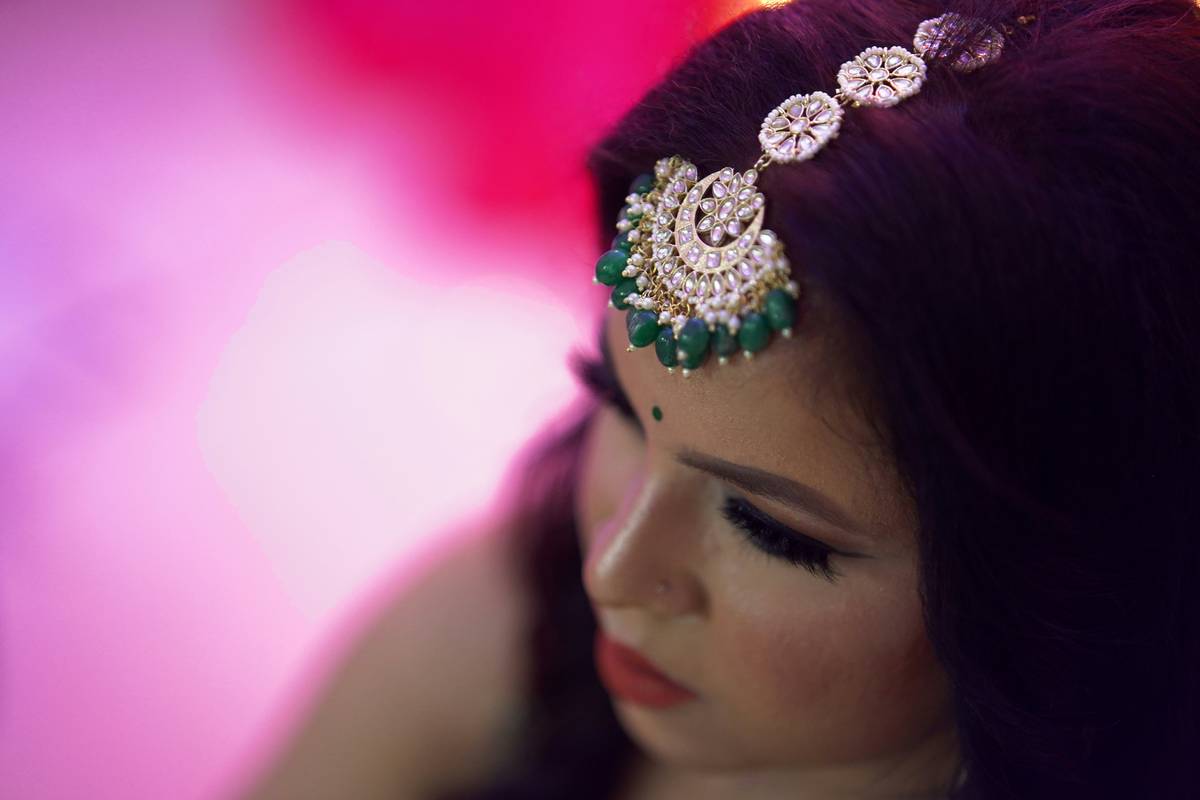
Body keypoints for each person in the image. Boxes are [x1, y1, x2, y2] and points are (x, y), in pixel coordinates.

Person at [235, 1, 1200, 798]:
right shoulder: (501, 632)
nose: (612, 570)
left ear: (1062, 585)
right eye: (614, 404)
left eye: (769, 528)